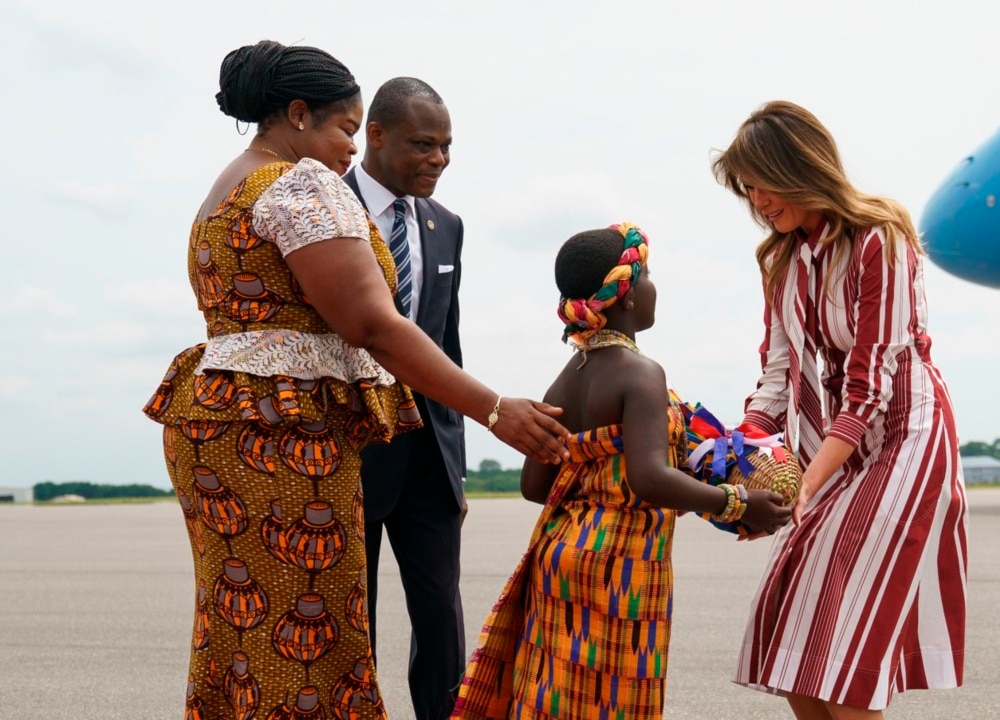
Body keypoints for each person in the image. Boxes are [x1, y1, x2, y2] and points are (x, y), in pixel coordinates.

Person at [142, 40, 569, 720]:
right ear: (300, 115)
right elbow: (370, 324)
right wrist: (493, 408)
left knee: (245, 628)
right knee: (308, 632)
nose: (348, 150)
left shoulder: (223, 187)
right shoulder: (301, 183)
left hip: (221, 423)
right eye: (346, 128)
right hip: (283, 434)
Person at [450, 224, 792, 720]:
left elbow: (533, 486)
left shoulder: (566, 379)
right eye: (647, 274)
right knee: (616, 703)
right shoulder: (641, 373)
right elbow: (649, 477)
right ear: (626, 296)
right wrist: (738, 503)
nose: (654, 286)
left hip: (560, 556)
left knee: (556, 698)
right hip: (622, 566)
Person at [711, 101, 968, 719]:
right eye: (747, 190)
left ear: (796, 165)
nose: (756, 199)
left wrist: (805, 483)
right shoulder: (782, 261)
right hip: (833, 451)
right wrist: (732, 459)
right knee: (792, 633)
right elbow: (777, 377)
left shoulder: (880, 238)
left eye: (761, 181)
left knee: (842, 649)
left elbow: (870, 386)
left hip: (904, 438)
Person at [342, 76, 467, 720]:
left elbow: (447, 345)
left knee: (441, 617)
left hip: (428, 454)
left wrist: (456, 462)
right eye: (423, 144)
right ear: (377, 134)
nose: (438, 160)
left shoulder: (447, 225)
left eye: (446, 147)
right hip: (349, 446)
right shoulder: (323, 207)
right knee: (349, 615)